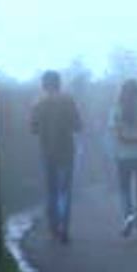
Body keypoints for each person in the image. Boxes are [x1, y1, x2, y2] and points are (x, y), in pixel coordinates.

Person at [31, 70, 83, 243]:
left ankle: (53, 227)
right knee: (64, 191)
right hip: (66, 151)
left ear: (44, 84)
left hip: (47, 151)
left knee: (51, 190)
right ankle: (64, 227)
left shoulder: (38, 103)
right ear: (59, 83)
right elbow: (78, 126)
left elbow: (33, 129)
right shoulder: (68, 101)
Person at [108, 79, 137, 239]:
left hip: (122, 157)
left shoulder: (115, 110)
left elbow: (115, 135)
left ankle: (128, 216)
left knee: (125, 191)